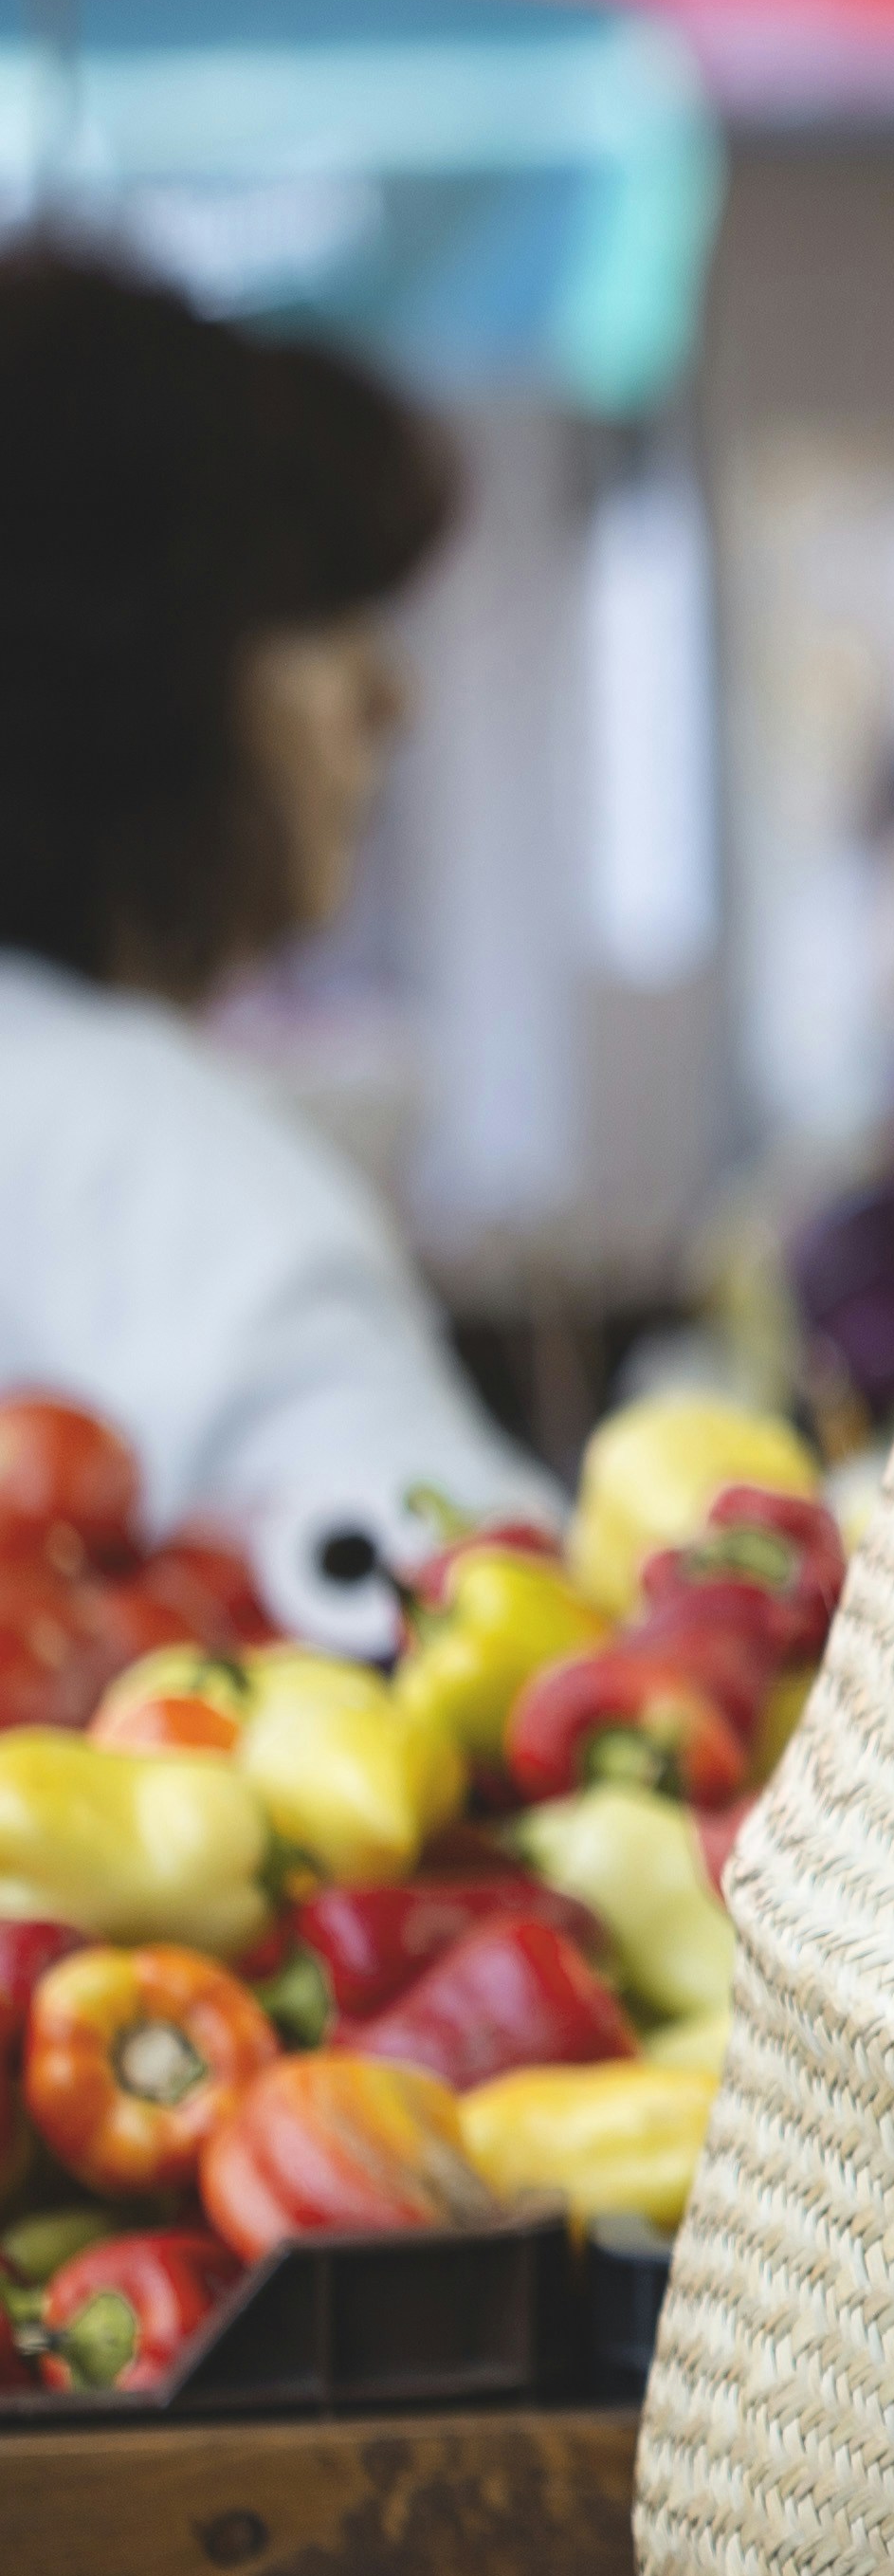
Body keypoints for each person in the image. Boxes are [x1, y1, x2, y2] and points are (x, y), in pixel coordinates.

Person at [0, 253, 558, 1639]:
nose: (391, 697)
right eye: (318, 614)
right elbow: (498, 1638)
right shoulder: (130, 1146)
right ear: (128, 673)